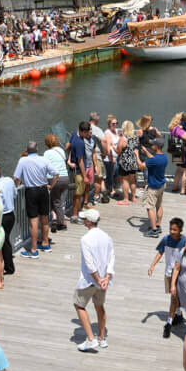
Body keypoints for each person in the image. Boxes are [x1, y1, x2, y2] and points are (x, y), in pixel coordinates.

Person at [73, 208, 115, 351]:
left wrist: (97, 279)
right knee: (99, 306)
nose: (83, 221)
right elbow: (111, 258)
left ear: (89, 222)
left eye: (85, 219)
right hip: (104, 279)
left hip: (89, 280)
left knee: (79, 305)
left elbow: (89, 264)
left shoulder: (85, 239)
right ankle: (102, 338)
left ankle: (91, 339)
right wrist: (106, 278)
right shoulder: (107, 237)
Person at [12, 141, 58, 257]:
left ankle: (33, 250)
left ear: (27, 150)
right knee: (44, 219)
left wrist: (15, 189)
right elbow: (56, 174)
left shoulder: (23, 160)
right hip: (43, 191)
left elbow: (16, 178)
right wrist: (51, 185)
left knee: (33, 222)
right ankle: (45, 244)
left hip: (31, 192)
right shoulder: (44, 160)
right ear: (37, 149)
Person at [148, 216, 186, 338]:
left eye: (175, 230)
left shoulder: (185, 242)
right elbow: (160, 252)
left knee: (173, 298)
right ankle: (178, 314)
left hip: (180, 274)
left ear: (180, 230)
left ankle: (169, 322)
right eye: (170, 229)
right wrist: (152, 265)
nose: (172, 232)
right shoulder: (166, 239)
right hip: (168, 273)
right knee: (174, 296)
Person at [138, 137, 168, 237]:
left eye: (153, 144)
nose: (151, 145)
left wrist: (136, 155)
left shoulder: (154, 160)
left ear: (156, 146)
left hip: (153, 187)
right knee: (159, 206)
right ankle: (158, 225)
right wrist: (146, 152)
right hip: (161, 185)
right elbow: (153, 159)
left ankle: (154, 230)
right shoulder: (164, 157)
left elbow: (141, 166)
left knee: (149, 207)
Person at [43, 133, 70, 231]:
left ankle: (62, 223)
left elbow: (44, 166)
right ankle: (54, 219)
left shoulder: (47, 153)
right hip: (65, 178)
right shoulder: (61, 150)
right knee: (55, 199)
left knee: (56, 201)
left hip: (54, 179)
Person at [67, 122, 91, 223]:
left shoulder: (74, 134)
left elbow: (67, 146)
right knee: (78, 195)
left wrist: (69, 160)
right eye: (87, 132)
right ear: (83, 132)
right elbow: (80, 161)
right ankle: (74, 216)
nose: (89, 134)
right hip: (78, 172)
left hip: (73, 171)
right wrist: (85, 176)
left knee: (75, 194)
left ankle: (77, 212)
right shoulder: (80, 143)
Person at [169, 112, 186, 195]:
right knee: (185, 171)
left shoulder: (173, 128)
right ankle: (183, 190)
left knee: (179, 169)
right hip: (184, 150)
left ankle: (175, 186)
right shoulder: (179, 130)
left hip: (176, 151)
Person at [116, 120, 140, 205]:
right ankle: (133, 197)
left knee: (124, 180)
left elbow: (119, 151)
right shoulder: (135, 137)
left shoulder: (123, 138)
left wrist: (113, 147)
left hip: (125, 162)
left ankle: (125, 199)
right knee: (132, 180)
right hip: (133, 161)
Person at [88, 112, 107, 204]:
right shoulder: (97, 129)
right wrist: (105, 152)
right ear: (97, 120)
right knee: (98, 178)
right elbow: (104, 140)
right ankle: (96, 196)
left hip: (86, 156)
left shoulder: (84, 126)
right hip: (97, 155)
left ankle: (86, 198)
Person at [102, 115, 121, 198]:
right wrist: (111, 158)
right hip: (110, 158)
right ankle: (110, 191)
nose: (115, 125)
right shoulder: (107, 132)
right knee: (110, 175)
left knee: (116, 174)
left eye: (116, 123)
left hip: (117, 157)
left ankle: (111, 189)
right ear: (109, 124)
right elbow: (108, 147)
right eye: (113, 123)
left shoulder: (116, 131)